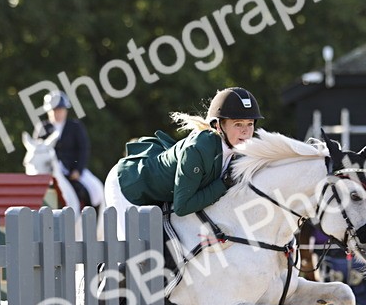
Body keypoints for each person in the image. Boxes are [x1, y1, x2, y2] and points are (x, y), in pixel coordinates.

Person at [107, 86, 263, 224]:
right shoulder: (197, 150)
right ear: (218, 126)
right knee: (132, 254)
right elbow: (182, 206)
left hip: (159, 197)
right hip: (129, 183)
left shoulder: (239, 152)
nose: (246, 131)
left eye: (250, 124)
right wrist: (223, 184)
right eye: (238, 124)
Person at [36, 91, 94, 208]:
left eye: (60, 110)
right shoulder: (42, 128)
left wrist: (78, 170)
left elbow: (83, 149)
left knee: (95, 191)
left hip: (72, 170)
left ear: (66, 110)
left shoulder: (75, 126)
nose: (57, 113)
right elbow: (37, 152)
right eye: (54, 110)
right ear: (48, 111)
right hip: (49, 172)